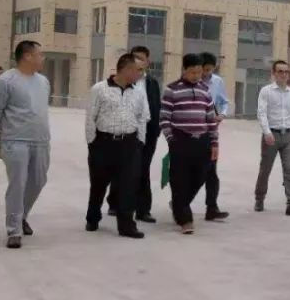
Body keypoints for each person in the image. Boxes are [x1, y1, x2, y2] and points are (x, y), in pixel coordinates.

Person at [0, 41, 51, 249]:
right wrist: (8, 129)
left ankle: (22, 216)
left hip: (41, 140)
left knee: (38, 181)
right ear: (28, 56)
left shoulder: (43, 81)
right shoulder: (5, 81)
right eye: (40, 54)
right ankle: (14, 230)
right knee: (18, 184)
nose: (43, 58)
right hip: (15, 141)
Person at [84, 53, 148, 238]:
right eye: (138, 70)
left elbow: (142, 117)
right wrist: (92, 143)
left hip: (129, 144)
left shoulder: (138, 92)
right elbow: (90, 117)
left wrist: (140, 142)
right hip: (103, 143)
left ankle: (127, 225)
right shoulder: (100, 89)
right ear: (126, 69)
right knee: (98, 184)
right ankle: (93, 217)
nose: (141, 74)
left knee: (128, 186)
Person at [160, 53, 219, 234]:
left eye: (199, 72)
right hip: (181, 139)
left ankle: (178, 204)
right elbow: (164, 118)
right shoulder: (172, 90)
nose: (196, 76)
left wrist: (214, 143)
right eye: (192, 72)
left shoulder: (205, 90)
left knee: (201, 176)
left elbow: (211, 119)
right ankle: (185, 219)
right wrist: (171, 139)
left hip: (202, 141)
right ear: (184, 70)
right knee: (179, 180)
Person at [107, 45, 160, 223]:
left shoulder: (152, 83)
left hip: (148, 133)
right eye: (135, 57)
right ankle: (115, 203)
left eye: (141, 58)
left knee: (143, 170)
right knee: (121, 169)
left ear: (147, 62)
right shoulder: (122, 81)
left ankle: (143, 210)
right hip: (125, 131)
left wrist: (156, 131)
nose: (138, 61)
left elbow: (156, 107)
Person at [254, 59, 290, 217]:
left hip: (288, 136)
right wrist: (267, 132)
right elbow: (261, 113)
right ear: (274, 73)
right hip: (271, 136)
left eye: (286, 71)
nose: (283, 74)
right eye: (280, 71)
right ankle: (259, 198)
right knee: (265, 169)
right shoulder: (266, 91)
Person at [198, 52, 230, 221]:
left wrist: (222, 114)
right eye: (205, 69)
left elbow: (224, 102)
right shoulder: (192, 80)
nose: (206, 73)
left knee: (212, 172)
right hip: (192, 131)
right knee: (193, 172)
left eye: (210, 70)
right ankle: (179, 203)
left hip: (211, 132)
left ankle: (212, 208)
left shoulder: (217, 82)